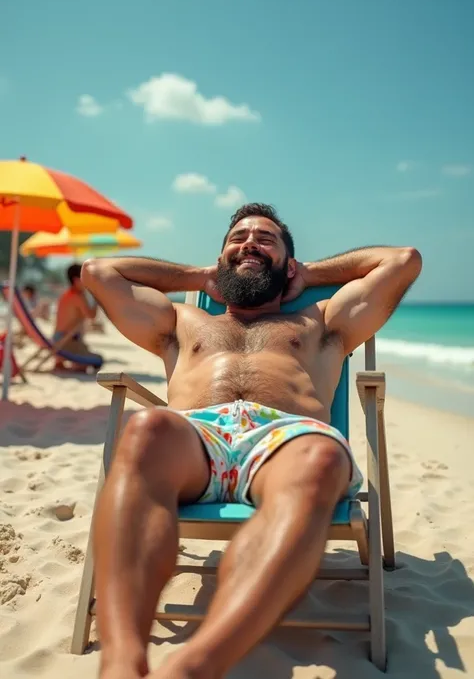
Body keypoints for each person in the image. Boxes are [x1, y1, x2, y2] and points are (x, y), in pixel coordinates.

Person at [82, 203, 422, 679]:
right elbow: (98, 272)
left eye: (266, 240)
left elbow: (402, 260)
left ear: (289, 262)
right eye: (238, 239)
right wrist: (200, 276)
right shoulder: (181, 322)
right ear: (219, 258)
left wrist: (307, 275)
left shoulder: (322, 321)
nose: (249, 244)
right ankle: (120, 664)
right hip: (196, 439)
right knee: (146, 428)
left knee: (323, 457)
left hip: (288, 439)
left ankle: (195, 667)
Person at [53, 263, 102, 371]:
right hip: (66, 341)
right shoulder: (77, 296)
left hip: (58, 339)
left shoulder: (66, 295)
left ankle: (60, 361)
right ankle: (73, 363)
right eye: (85, 278)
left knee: (87, 354)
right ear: (76, 280)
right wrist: (97, 297)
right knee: (98, 360)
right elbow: (91, 316)